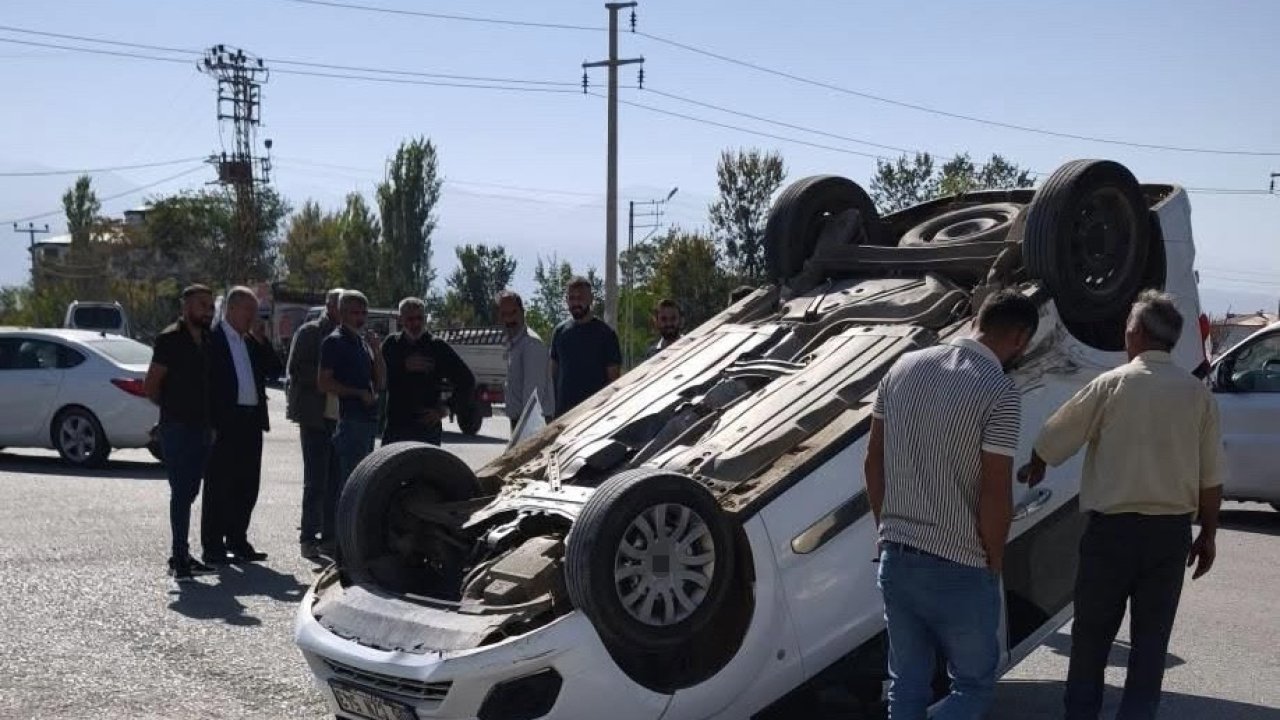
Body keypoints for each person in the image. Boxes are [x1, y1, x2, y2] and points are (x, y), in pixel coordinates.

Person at [1019, 290, 1223, 720]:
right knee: (1150, 644)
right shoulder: (1197, 394)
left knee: (1091, 640)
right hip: (1169, 537)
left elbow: (1057, 435)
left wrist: (1036, 463)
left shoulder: (1113, 384)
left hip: (1112, 535)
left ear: (1136, 332)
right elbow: (1211, 475)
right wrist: (1208, 534)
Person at [864, 289, 1039, 720]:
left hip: (897, 559)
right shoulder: (1000, 392)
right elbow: (996, 491)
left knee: (906, 683)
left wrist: (885, 533)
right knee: (973, 686)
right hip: (960, 565)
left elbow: (872, 463)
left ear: (979, 319)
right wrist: (993, 560)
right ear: (1019, 338)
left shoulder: (902, 368)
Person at [202, 286, 282, 565]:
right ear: (232, 309)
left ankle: (237, 539)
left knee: (247, 483)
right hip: (224, 422)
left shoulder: (250, 341)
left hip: (251, 421)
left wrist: (263, 339)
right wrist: (209, 422)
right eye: (249, 310)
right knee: (219, 484)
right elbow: (205, 384)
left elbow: (275, 369)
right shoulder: (213, 339)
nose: (253, 316)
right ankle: (213, 545)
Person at [144, 284, 217, 582]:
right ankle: (179, 557)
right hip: (176, 427)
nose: (208, 311)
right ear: (186, 307)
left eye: (210, 306)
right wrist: (173, 410)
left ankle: (184, 554)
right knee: (180, 491)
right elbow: (151, 386)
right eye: (202, 305)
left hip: (203, 428)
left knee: (190, 491)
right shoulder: (169, 339)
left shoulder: (209, 340)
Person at [286, 288, 343, 560]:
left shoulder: (349, 336)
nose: (341, 310)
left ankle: (330, 538)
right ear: (328, 305)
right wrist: (328, 377)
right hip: (314, 416)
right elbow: (297, 369)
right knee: (315, 481)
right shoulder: (310, 332)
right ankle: (308, 538)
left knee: (336, 481)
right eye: (338, 304)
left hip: (340, 418)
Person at [380, 296, 474, 445]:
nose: (415, 323)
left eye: (419, 318)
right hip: (396, 426)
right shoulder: (391, 345)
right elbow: (379, 379)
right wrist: (402, 366)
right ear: (400, 319)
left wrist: (446, 408)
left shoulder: (437, 347)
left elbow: (467, 380)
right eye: (410, 319)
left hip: (426, 428)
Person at [319, 290, 385, 502]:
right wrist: (357, 393)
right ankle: (341, 533)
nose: (361, 318)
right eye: (355, 312)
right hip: (350, 421)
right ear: (343, 313)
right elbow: (323, 382)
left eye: (364, 313)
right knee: (350, 485)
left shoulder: (363, 343)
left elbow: (381, 382)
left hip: (368, 421)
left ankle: (349, 531)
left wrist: (377, 350)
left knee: (363, 484)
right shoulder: (334, 341)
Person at [550, 277, 622, 417]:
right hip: (562, 417)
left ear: (590, 299)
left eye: (580, 297)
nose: (576, 302)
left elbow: (614, 381)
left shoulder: (606, 334)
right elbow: (552, 376)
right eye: (572, 298)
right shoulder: (560, 332)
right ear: (566, 300)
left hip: (593, 416)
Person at [497, 290, 554, 428]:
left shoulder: (531, 344)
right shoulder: (514, 343)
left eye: (513, 313)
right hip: (522, 421)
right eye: (505, 314)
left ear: (523, 312)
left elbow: (533, 397)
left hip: (532, 423)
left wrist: (525, 430)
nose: (509, 319)